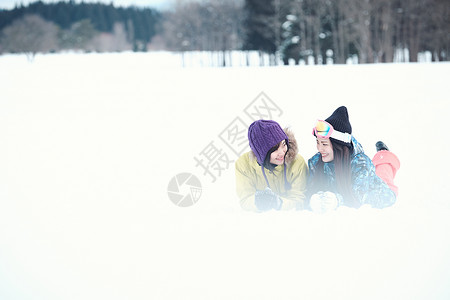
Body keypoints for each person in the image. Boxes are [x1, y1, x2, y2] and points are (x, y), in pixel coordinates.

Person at [307, 106, 400, 212]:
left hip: (381, 192)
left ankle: (383, 153)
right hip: (365, 173)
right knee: (373, 169)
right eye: (318, 142)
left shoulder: (361, 164)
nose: (320, 148)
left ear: (338, 146)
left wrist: (337, 200)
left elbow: (358, 198)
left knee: (383, 172)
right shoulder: (315, 162)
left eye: (324, 144)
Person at [235, 120, 308, 212]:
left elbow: (300, 199)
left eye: (283, 144)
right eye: (274, 149)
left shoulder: (296, 162)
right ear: (263, 153)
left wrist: (278, 203)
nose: (282, 152)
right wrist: (258, 201)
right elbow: (245, 199)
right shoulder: (244, 165)